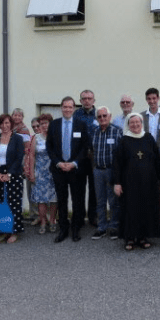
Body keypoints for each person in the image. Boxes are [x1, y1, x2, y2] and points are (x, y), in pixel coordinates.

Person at [113, 113, 160, 250]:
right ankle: (129, 238)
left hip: (148, 183)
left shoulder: (149, 138)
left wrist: (159, 177)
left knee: (145, 209)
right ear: (128, 125)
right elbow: (117, 163)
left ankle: (142, 237)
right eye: (132, 122)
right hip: (129, 184)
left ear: (142, 123)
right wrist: (117, 182)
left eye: (137, 122)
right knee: (130, 210)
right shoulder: (124, 140)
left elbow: (156, 158)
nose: (135, 125)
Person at [46, 96, 91, 242]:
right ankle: (63, 229)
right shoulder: (54, 125)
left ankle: (76, 228)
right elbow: (49, 147)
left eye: (70, 107)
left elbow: (85, 147)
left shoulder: (81, 124)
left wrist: (74, 163)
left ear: (74, 108)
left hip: (76, 170)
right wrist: (59, 163)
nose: (67, 109)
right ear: (61, 108)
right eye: (65, 107)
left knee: (78, 200)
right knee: (62, 200)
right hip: (59, 169)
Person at [0, 113, 26, 244]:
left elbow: (19, 158)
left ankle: (14, 231)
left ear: (11, 124)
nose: (5, 126)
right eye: (3, 123)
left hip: (13, 175)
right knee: (0, 203)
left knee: (14, 204)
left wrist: (9, 174)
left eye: (8, 123)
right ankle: (3, 230)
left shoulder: (18, 139)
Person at [90, 106, 122, 240]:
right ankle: (101, 227)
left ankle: (114, 226)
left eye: (104, 116)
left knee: (113, 200)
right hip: (98, 171)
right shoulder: (94, 131)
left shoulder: (117, 131)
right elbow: (91, 151)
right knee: (100, 200)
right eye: (99, 116)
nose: (102, 118)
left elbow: (121, 154)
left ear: (109, 116)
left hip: (111, 170)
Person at [140, 87, 160, 219]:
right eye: (149, 99)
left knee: (159, 191)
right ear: (146, 100)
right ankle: (147, 218)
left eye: (154, 98)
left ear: (158, 98)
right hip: (145, 160)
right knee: (145, 190)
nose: (152, 101)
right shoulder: (141, 116)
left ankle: (159, 219)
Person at [26, 113, 57, 234]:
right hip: (40, 172)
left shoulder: (56, 136)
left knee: (54, 199)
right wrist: (31, 172)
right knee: (41, 200)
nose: (44, 125)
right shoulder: (36, 138)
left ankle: (53, 221)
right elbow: (32, 155)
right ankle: (43, 222)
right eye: (42, 123)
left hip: (53, 172)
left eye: (46, 123)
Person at [74, 89, 99, 228]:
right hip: (81, 156)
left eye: (90, 98)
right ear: (80, 101)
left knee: (94, 188)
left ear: (94, 100)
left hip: (95, 156)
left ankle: (93, 216)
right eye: (84, 98)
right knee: (80, 188)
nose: (87, 101)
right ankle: (79, 216)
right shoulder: (76, 114)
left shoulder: (100, 113)